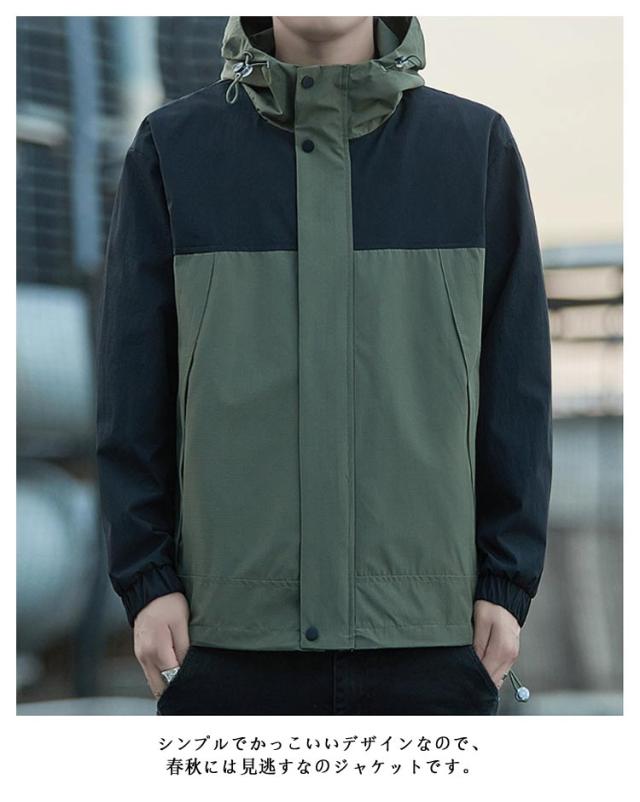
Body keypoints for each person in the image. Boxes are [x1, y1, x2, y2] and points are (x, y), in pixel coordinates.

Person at [95, 15, 552, 716]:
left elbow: (517, 390)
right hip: (224, 638)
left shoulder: (472, 147)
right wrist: (147, 580)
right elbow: (133, 392)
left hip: (433, 638)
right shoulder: (174, 149)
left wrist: (506, 580)